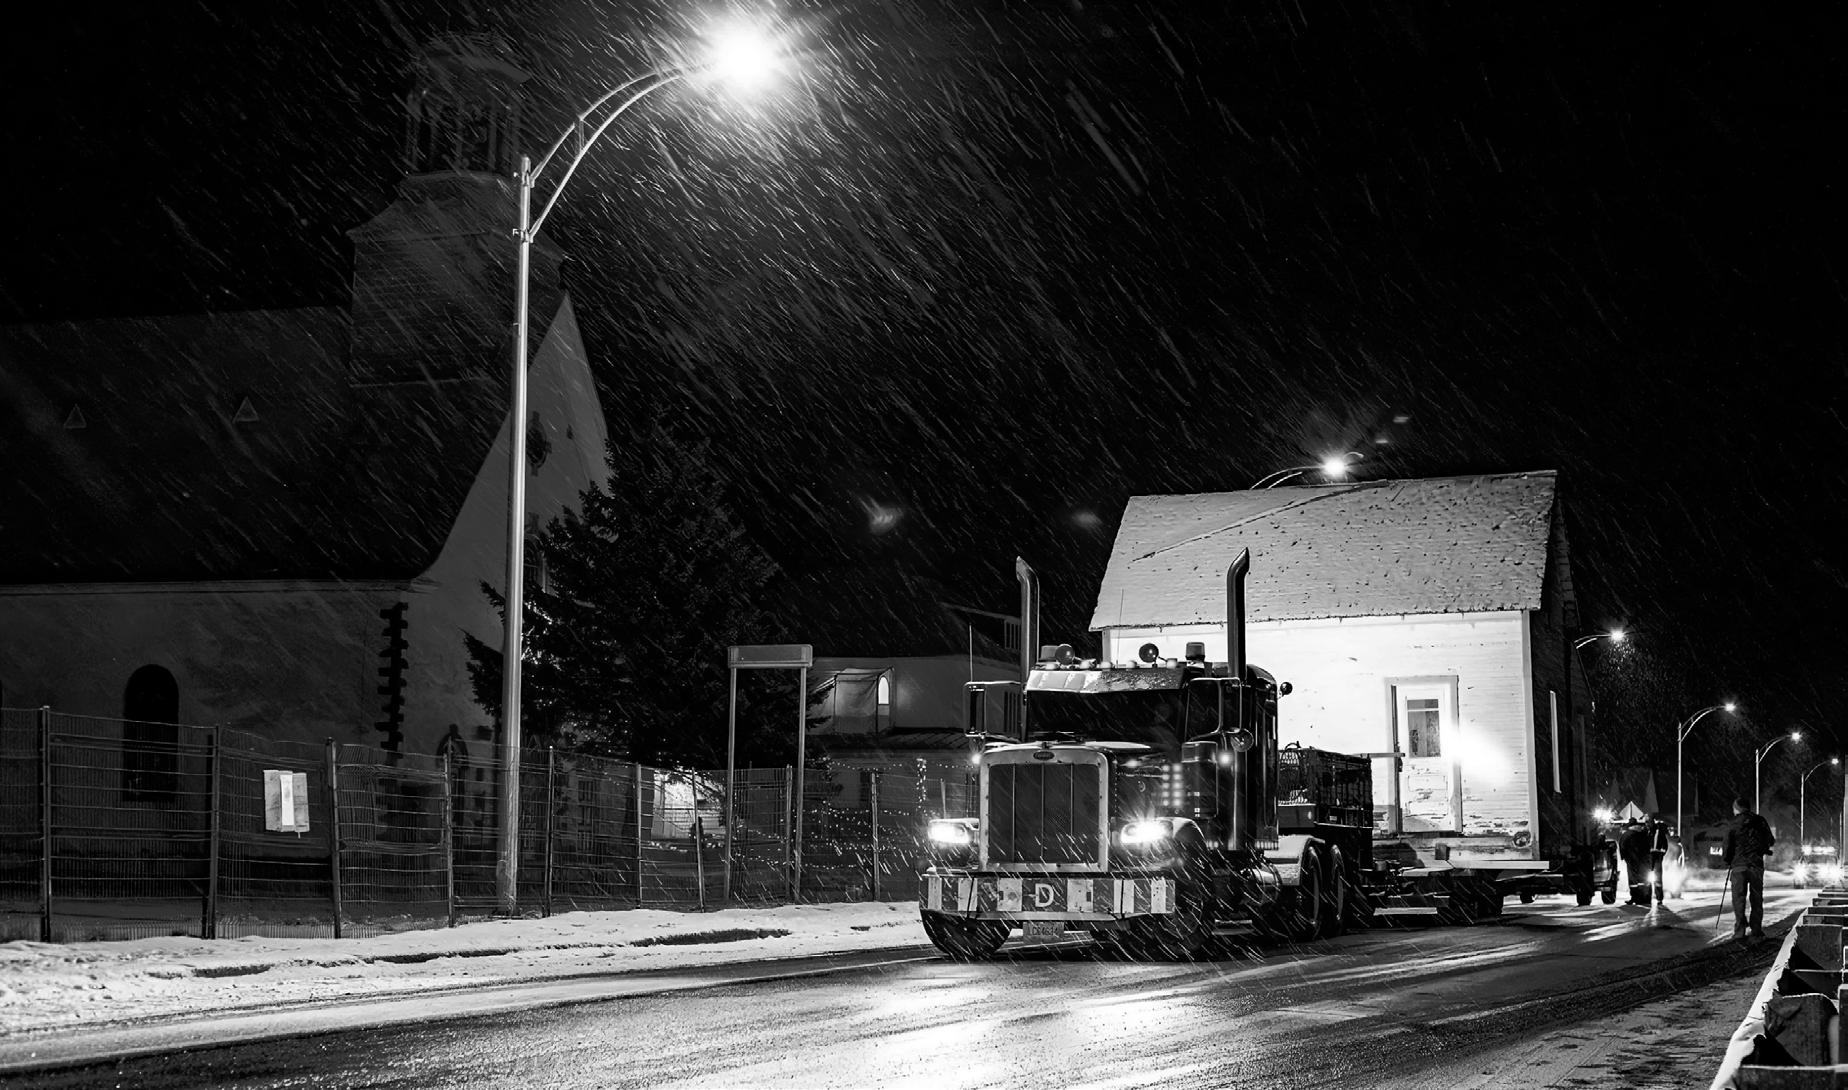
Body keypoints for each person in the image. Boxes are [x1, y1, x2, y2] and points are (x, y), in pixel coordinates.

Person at [1721, 797, 1775, 940]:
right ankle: (1756, 929)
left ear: (1736, 808)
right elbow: (1771, 840)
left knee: (1738, 899)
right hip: (1756, 865)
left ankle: (1740, 930)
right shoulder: (1760, 821)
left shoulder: (1733, 823)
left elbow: (1727, 845)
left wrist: (1727, 860)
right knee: (1756, 898)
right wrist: (1761, 847)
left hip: (1739, 866)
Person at [1618, 818, 1651, 905]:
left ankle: (1635, 897)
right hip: (1643, 862)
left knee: (1633, 881)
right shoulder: (1643, 834)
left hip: (1631, 861)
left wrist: (1624, 858)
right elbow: (1648, 846)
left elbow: (1622, 846)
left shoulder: (1626, 835)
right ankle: (1646, 897)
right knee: (1644, 879)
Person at [1647, 818, 1670, 904]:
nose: (1647, 825)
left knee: (1657, 878)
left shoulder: (1658, 832)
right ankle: (1649, 896)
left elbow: (1665, 845)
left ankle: (1658, 897)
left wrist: (1661, 854)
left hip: (1656, 856)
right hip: (1650, 856)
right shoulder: (1648, 832)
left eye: (1648, 823)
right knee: (1648, 877)